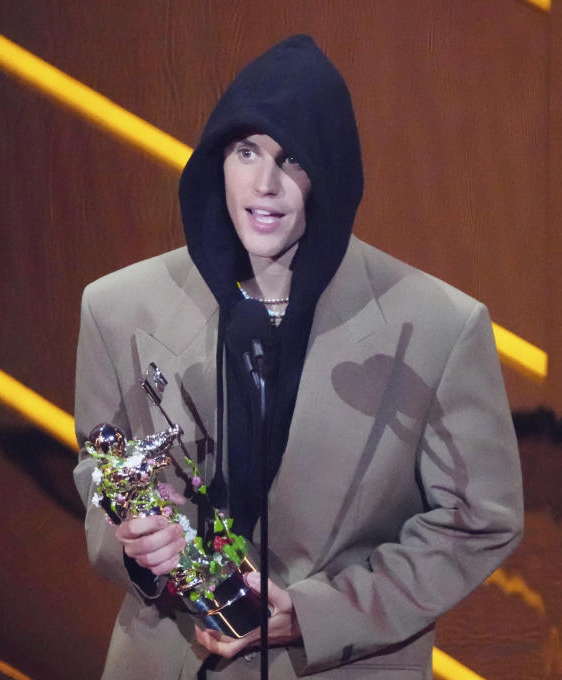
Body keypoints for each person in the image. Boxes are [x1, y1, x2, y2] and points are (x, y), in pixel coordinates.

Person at [73, 35, 523, 679]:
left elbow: (480, 521)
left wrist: (320, 614)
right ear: (215, 162)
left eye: (295, 160)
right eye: (246, 151)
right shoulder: (117, 308)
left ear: (332, 174)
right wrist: (138, 545)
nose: (266, 185)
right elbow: (99, 477)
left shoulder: (439, 326)